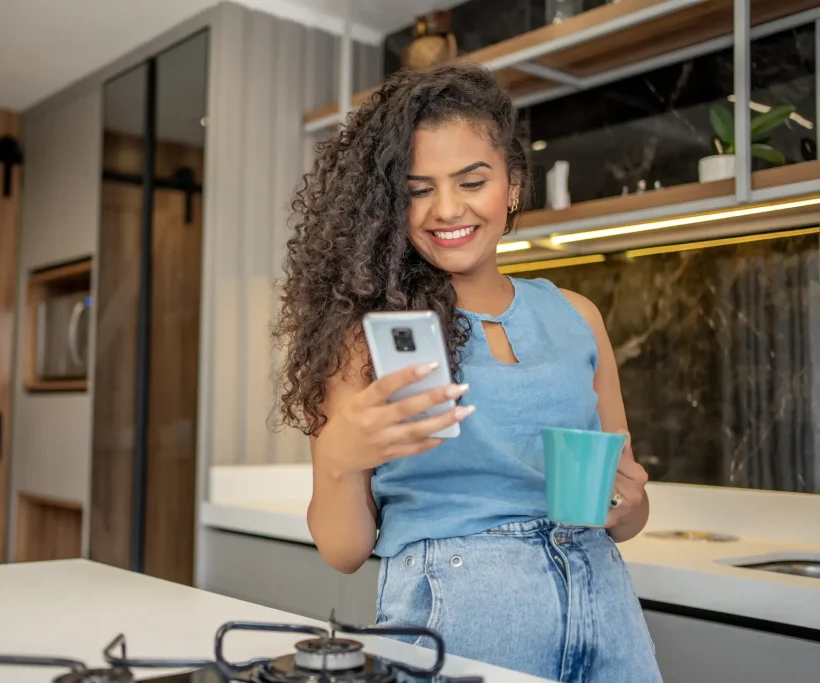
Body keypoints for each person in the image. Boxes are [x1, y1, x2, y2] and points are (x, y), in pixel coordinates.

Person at [271, 64, 662, 683]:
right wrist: (342, 458)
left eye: (472, 181)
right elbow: (342, 552)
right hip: (460, 610)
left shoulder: (579, 317)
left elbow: (626, 505)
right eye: (417, 189)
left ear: (512, 183)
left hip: (604, 603)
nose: (446, 209)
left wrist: (628, 504)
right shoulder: (364, 338)